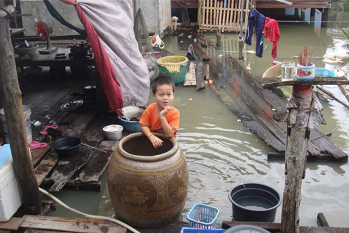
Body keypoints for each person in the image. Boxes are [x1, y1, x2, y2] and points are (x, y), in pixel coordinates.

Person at [140, 76, 180, 148]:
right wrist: (151, 136)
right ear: (154, 96)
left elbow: (169, 134)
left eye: (169, 94)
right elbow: (144, 125)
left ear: (173, 95)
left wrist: (162, 116)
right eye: (161, 95)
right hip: (152, 138)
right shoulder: (150, 108)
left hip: (168, 142)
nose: (165, 98)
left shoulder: (175, 113)